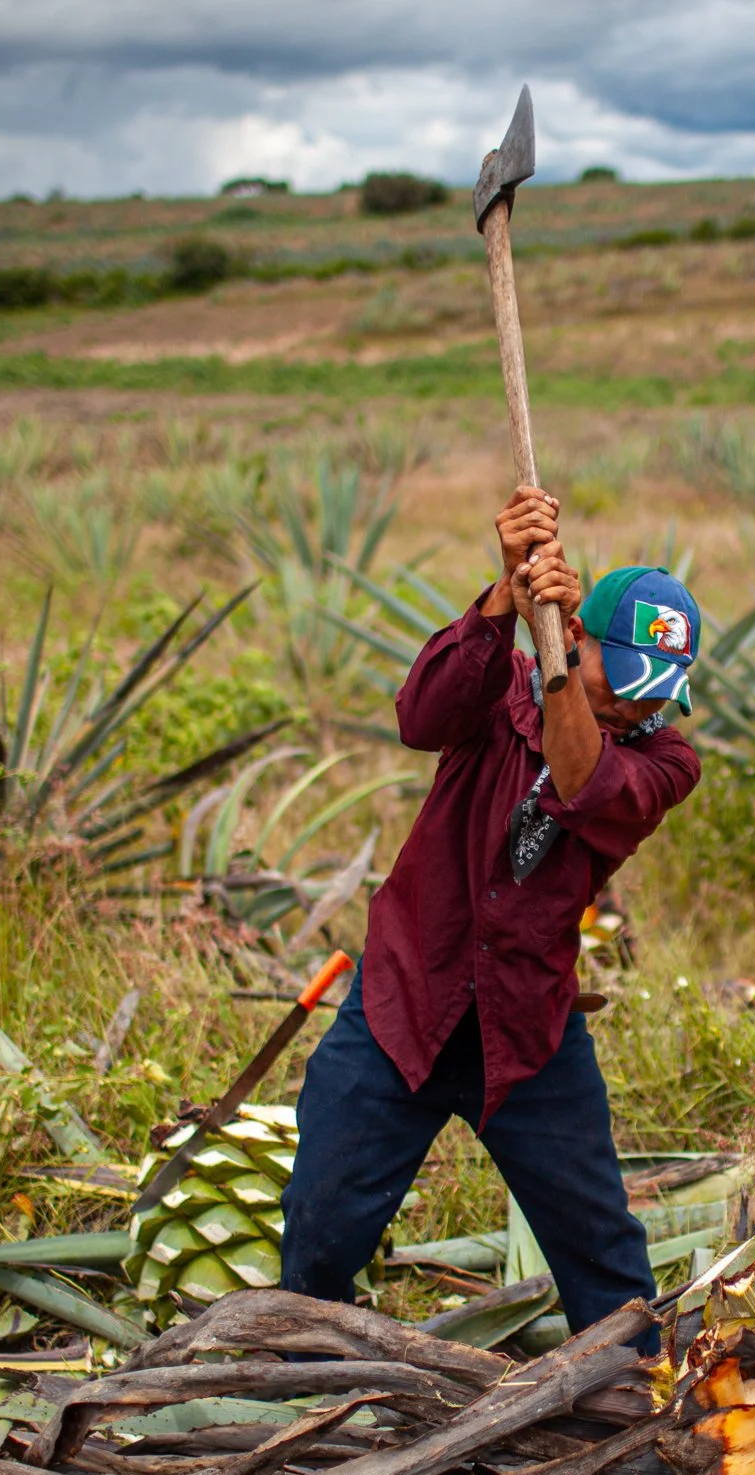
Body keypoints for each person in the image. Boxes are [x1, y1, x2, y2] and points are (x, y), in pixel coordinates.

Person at [278, 487, 703, 1347]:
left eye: (653, 696)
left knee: (604, 1259)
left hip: (526, 1024)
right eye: (618, 682)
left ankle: (637, 1417)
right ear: (578, 637)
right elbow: (418, 717)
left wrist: (559, 667)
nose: (633, 708)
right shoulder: (499, 683)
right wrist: (506, 600)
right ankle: (308, 1376)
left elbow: (580, 774)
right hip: (408, 997)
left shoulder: (665, 760)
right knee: (321, 1227)